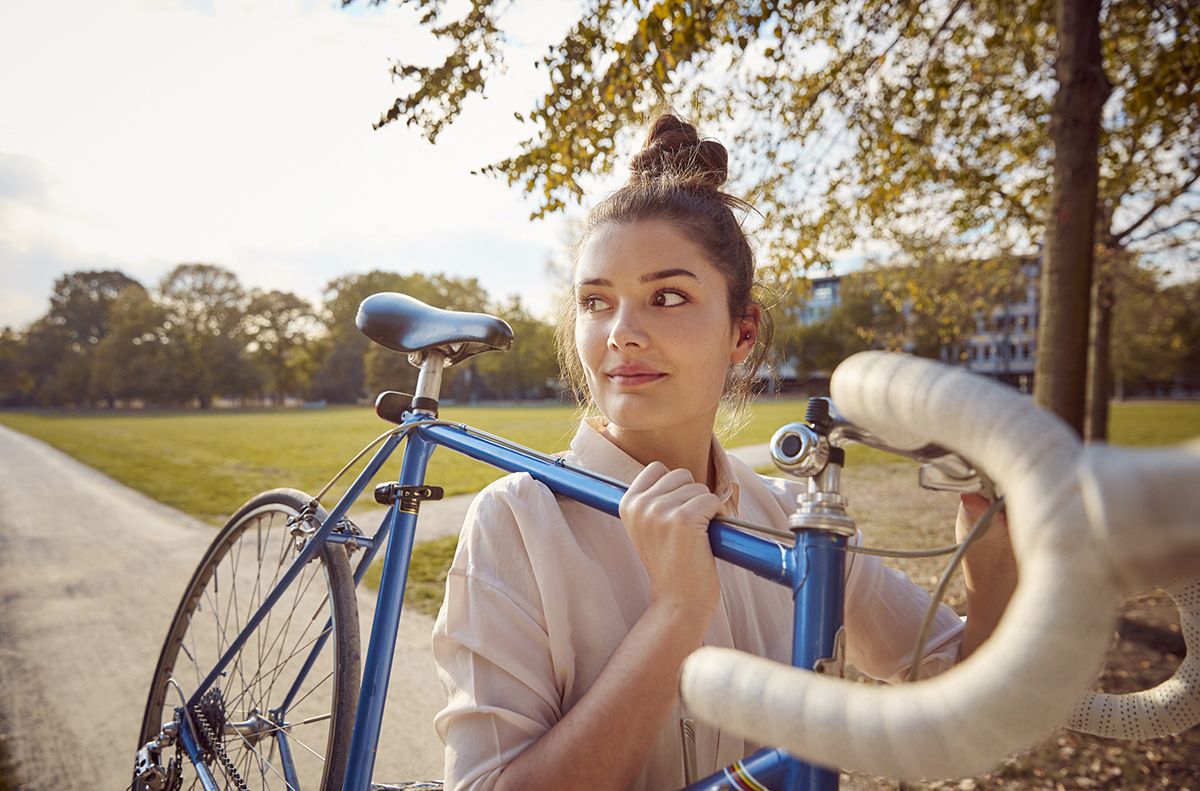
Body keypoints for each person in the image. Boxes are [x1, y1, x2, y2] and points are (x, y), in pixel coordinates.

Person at [432, 114, 1018, 791]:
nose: (621, 333)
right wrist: (676, 613)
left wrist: (991, 563)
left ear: (743, 331)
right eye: (597, 302)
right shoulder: (518, 520)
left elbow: (954, 696)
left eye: (668, 296)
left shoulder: (795, 514)